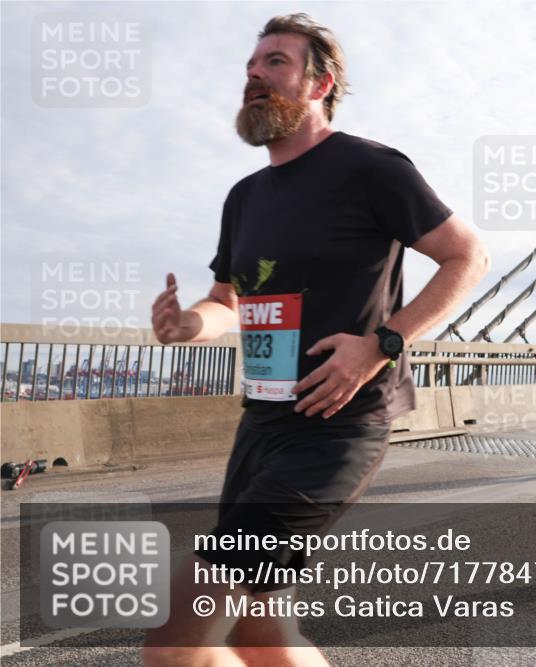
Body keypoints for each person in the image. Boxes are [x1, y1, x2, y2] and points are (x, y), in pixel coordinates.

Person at [144, 14, 489, 666]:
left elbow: (468, 257)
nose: (253, 76)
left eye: (274, 63)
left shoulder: (370, 168)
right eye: (250, 67)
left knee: (178, 637)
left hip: (339, 423)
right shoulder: (243, 197)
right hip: (263, 423)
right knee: (259, 630)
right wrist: (187, 324)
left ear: (319, 81)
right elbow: (227, 301)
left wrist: (381, 342)